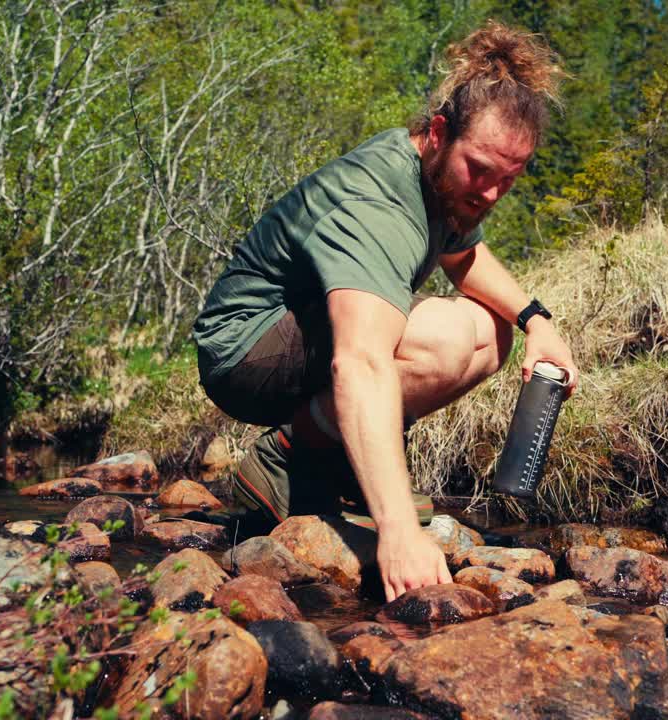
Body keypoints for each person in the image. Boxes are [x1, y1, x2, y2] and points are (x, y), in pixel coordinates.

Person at [193, 21, 579, 602]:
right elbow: (362, 364)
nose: (491, 194)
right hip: (243, 350)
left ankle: (334, 462)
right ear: (439, 133)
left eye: (509, 179)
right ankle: (288, 458)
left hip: (291, 336)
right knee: (448, 339)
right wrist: (397, 532)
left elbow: (464, 253)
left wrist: (538, 322)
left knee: (489, 332)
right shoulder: (380, 202)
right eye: (480, 170)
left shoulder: (440, 180)